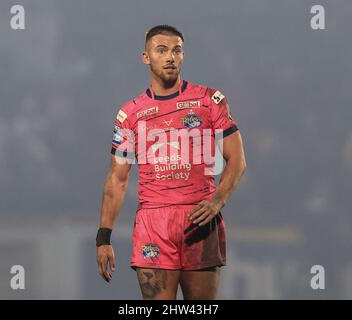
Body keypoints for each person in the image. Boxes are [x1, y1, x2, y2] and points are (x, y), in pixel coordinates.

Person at [96, 24, 246, 300]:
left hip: (200, 219)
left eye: (176, 50)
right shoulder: (130, 114)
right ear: (146, 57)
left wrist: (217, 201)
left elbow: (237, 160)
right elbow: (117, 179)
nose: (170, 57)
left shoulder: (209, 101)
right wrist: (103, 237)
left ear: (183, 55)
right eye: (161, 50)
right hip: (154, 223)